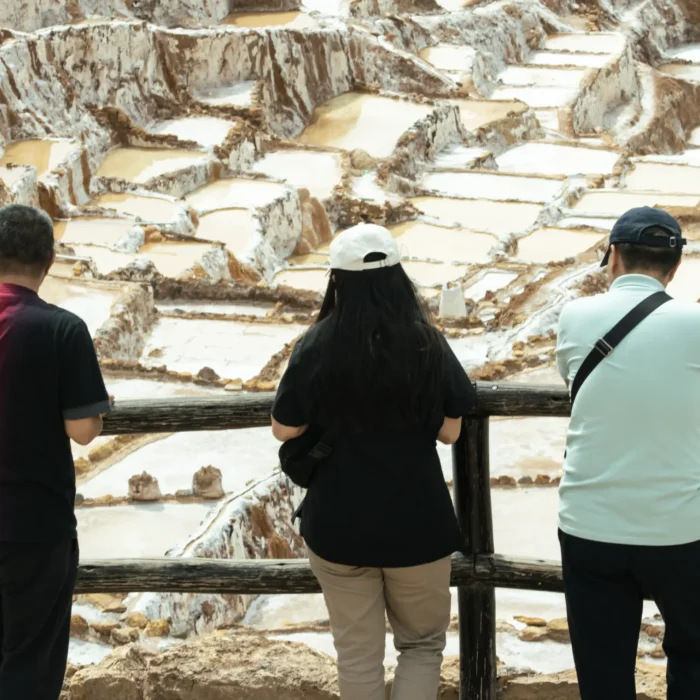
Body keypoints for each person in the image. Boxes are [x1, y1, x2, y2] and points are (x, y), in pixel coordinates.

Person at [271, 223, 476, 700]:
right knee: (422, 646)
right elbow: (450, 430)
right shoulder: (426, 343)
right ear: (399, 278)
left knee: (358, 655)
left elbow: (284, 428)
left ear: (336, 282)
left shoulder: (317, 345)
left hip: (339, 526)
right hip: (417, 524)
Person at [555, 206, 700, 700]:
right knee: (695, 659)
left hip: (591, 525)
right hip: (682, 527)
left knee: (603, 672)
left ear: (613, 255)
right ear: (675, 267)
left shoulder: (574, 316)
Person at [0, 205, 111, 699]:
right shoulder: (62, 329)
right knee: (29, 659)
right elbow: (84, 429)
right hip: (32, 525)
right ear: (48, 261)